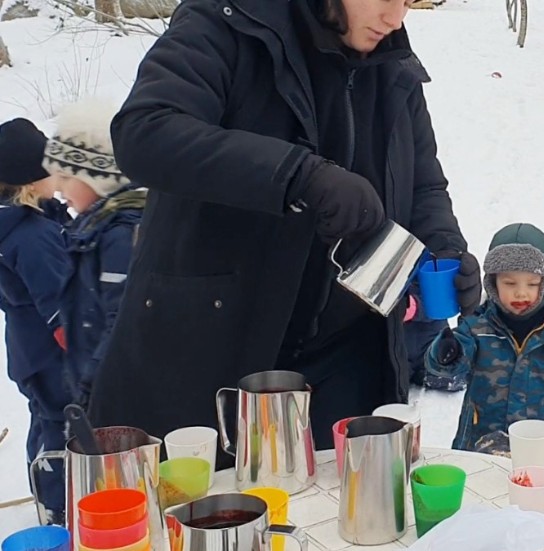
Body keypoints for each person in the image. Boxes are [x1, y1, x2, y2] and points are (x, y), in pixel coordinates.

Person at [88, 0, 480, 456]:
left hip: (345, 366)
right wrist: (299, 176)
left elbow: (424, 186)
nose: (396, 19)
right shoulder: (229, 22)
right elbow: (146, 132)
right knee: (213, 520)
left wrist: (444, 248)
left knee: (346, 520)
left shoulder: (393, 68)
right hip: (215, 356)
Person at [427, 223, 544, 453]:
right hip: (480, 441)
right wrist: (446, 353)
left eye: (532, 284)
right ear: (492, 283)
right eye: (509, 283)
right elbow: (451, 366)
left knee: (533, 488)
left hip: (535, 444)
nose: (521, 292)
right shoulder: (476, 325)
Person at [42, 99, 146, 410]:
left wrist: (92, 384)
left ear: (97, 177)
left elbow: (122, 319)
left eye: (66, 176)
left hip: (113, 395)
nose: (58, 188)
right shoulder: (95, 229)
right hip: (98, 389)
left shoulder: (119, 235)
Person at [0, 118, 72, 525]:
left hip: (29, 352)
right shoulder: (31, 236)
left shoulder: (25, 223)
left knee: (48, 419)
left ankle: (50, 500)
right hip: (50, 356)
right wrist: (88, 353)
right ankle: (59, 510)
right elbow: (60, 309)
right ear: (32, 180)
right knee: (60, 426)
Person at [404, 285, 466, 392]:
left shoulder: (429, 272)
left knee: (458, 374)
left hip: (431, 345)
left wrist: (415, 307)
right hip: (396, 352)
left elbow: (442, 301)